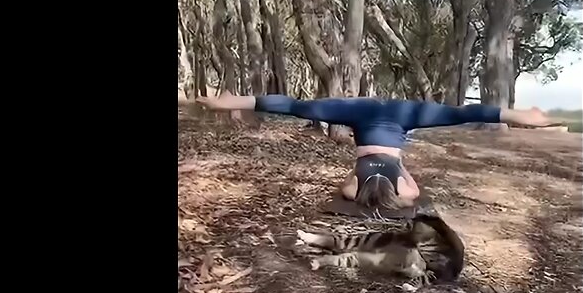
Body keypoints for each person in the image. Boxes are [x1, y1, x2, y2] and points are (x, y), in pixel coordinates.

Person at [195, 93, 561, 210]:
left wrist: (402, 173)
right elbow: (348, 187)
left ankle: (520, 115)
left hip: (401, 118)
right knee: (297, 106)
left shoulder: (399, 187)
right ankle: (222, 100)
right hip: (364, 114)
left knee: (457, 115)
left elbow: (412, 191)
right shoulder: (356, 187)